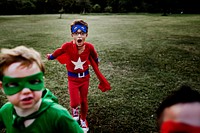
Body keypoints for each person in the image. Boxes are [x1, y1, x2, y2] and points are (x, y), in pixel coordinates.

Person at [0, 46, 83, 133]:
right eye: (14, 84)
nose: (26, 91)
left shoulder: (58, 115)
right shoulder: (5, 111)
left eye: (34, 81)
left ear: (42, 81)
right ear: (2, 87)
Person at [46, 19, 111, 132]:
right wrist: (51, 56)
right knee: (75, 102)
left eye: (82, 33)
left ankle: (83, 119)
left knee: (84, 101)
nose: (79, 36)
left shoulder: (89, 47)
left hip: (85, 78)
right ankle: (74, 110)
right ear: (72, 35)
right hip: (73, 79)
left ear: (86, 35)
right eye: (76, 33)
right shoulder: (67, 46)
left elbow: (95, 56)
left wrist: (96, 61)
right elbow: (59, 51)